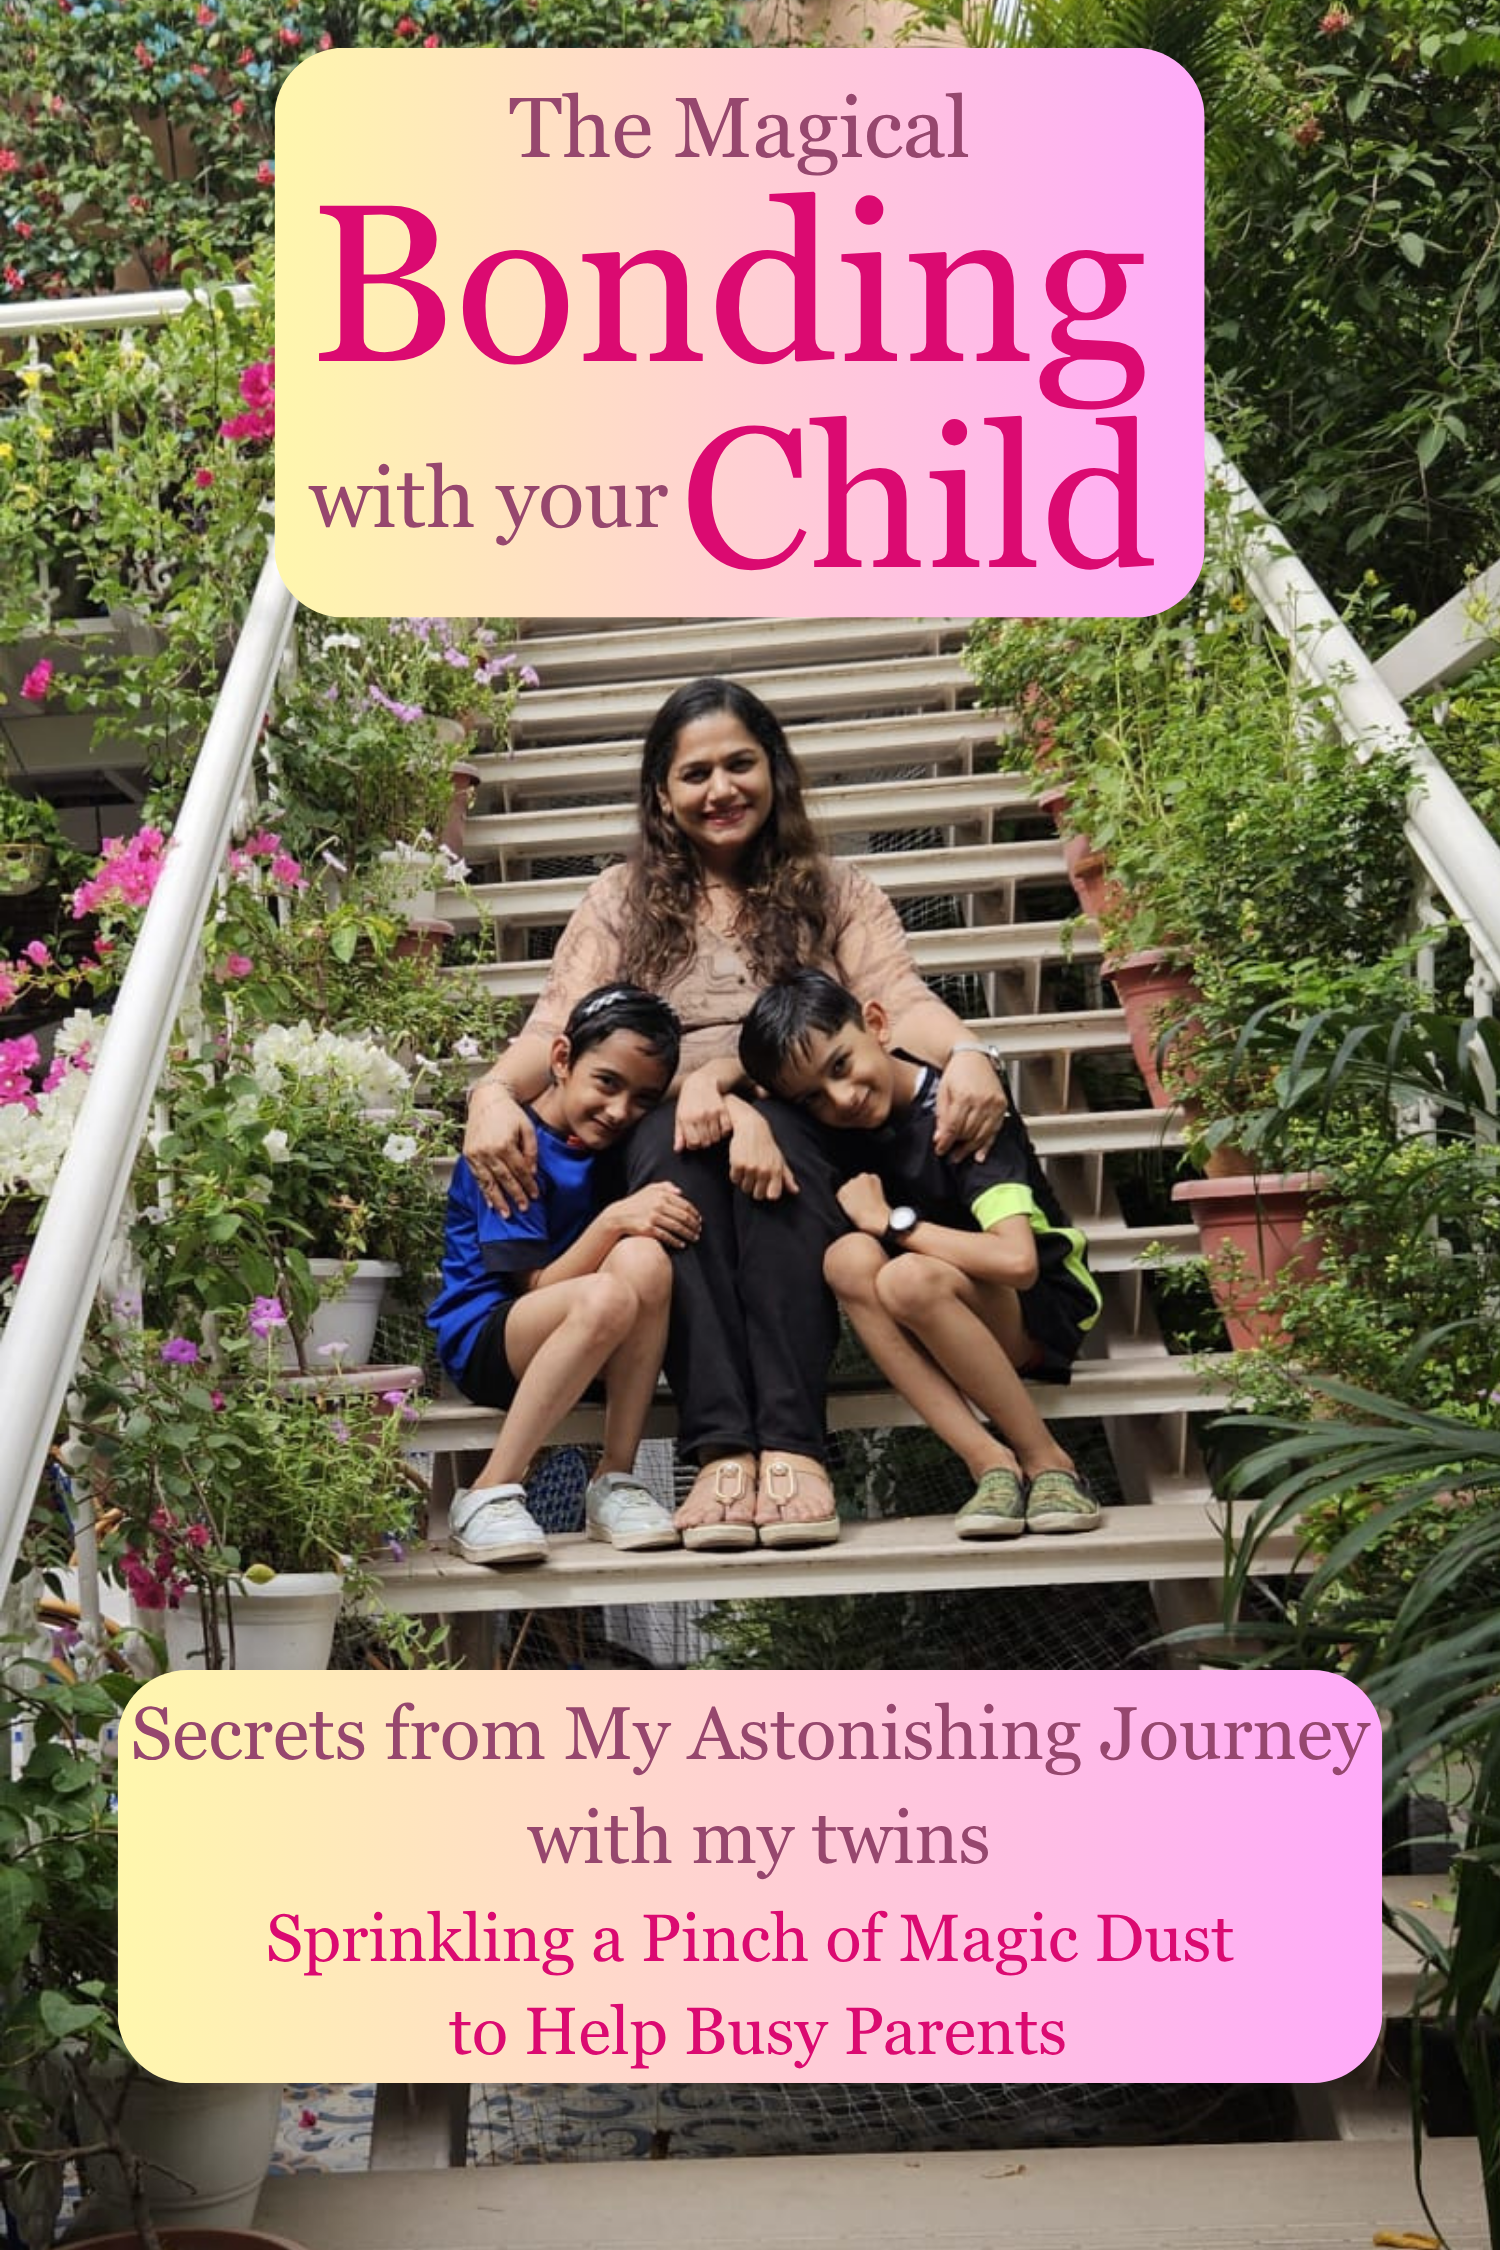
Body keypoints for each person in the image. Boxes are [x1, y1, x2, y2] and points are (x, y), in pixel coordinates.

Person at [463, 676, 1009, 1551]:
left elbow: (898, 1002)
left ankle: (792, 1445)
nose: (720, 789)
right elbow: (556, 1025)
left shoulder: (834, 890)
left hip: (803, 1123)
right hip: (668, 1131)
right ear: (661, 794)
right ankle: (721, 1448)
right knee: (671, 1146)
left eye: (739, 765)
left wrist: (971, 1052)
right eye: (695, 774)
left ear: (774, 771)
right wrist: (491, 1092)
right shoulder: (620, 900)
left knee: (784, 1134)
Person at [739, 971, 1103, 1539]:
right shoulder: (845, 1126)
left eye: (841, 1065)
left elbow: (1017, 1262)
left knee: (905, 1276)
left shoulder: (962, 1108)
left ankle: (1048, 1462)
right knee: (847, 1258)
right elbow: (737, 1080)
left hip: (1040, 1307)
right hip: (940, 1302)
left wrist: (893, 1225)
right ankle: (990, 1463)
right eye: (813, 1097)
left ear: (876, 1024)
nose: (842, 1098)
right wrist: (742, 1114)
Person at [429, 984, 700, 1565]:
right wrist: (613, 1221)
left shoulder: (613, 1140)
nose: (620, 1110)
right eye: (607, 1082)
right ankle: (487, 1492)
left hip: (590, 1337)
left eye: (643, 1098)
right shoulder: (512, 1145)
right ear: (561, 1060)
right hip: (490, 1339)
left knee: (646, 1259)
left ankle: (615, 1480)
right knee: (608, 1292)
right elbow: (532, 1286)